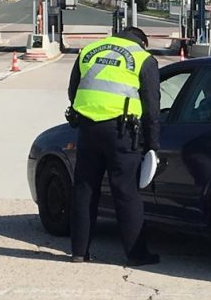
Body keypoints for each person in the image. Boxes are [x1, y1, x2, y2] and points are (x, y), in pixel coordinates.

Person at [67, 26, 161, 266]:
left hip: (88, 128)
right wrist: (152, 145)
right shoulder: (142, 58)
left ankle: (79, 252)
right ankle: (136, 255)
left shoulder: (89, 50)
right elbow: (152, 108)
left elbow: (73, 91)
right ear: (142, 42)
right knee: (126, 191)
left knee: (85, 188)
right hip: (122, 132)